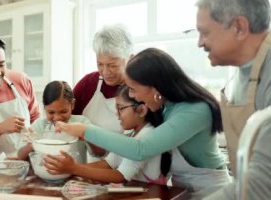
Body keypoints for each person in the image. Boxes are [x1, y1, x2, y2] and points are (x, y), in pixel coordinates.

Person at [54, 48, 231, 197]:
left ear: (154, 86)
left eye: (133, 89)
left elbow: (139, 149)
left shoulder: (194, 110)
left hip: (212, 193)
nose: (132, 96)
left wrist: (85, 130)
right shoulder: (165, 107)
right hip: (181, 190)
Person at [196, 0, 271, 199]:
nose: (200, 43)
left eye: (205, 33)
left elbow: (261, 184)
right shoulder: (240, 76)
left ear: (239, 28)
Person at [44, 85, 171, 184]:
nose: (117, 114)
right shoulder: (131, 133)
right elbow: (108, 164)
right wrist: (69, 170)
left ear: (141, 110)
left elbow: (120, 176)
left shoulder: (146, 136)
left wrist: (74, 169)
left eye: (120, 108)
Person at [72, 24, 133, 161]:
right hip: (90, 167)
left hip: (129, 167)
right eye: (100, 64)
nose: (105, 72)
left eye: (112, 65)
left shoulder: (139, 90)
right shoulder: (88, 83)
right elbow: (66, 118)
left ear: (130, 58)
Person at [17, 80, 91, 162]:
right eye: (51, 112)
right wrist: (32, 143)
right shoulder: (40, 126)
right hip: (45, 173)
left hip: (77, 173)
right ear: (44, 107)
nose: (57, 118)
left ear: (72, 104)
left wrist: (86, 136)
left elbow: (99, 153)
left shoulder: (82, 122)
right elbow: (20, 156)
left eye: (63, 111)